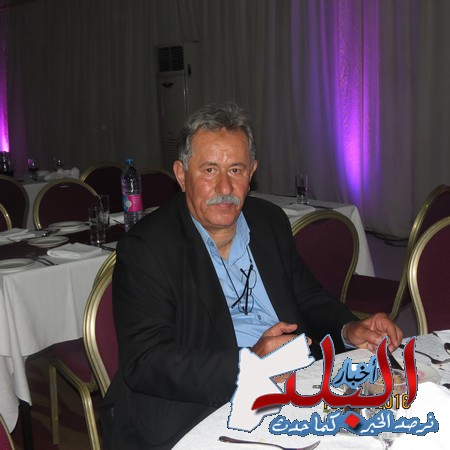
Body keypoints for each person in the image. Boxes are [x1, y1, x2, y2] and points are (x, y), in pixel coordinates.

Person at [101, 102, 403, 449]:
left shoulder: (268, 221)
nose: (225, 187)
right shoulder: (148, 247)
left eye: (236, 170)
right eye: (209, 170)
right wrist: (251, 362)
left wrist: (349, 328)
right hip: (196, 407)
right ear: (182, 175)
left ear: (252, 172)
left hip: (291, 387)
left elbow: (307, 296)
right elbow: (147, 362)